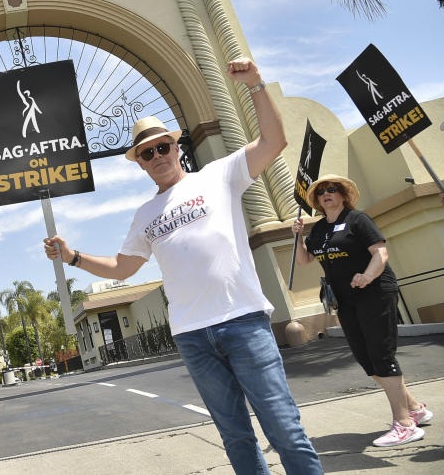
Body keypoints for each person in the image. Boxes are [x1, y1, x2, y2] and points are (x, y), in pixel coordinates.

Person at [44, 59, 323, 475]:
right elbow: (123, 268)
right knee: (236, 437)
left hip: (243, 320)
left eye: (163, 147)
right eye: (147, 152)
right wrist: (72, 257)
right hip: (192, 336)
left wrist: (256, 85)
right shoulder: (144, 215)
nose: (157, 155)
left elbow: (274, 140)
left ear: (177, 148)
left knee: (284, 429)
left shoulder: (219, 175)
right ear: (139, 162)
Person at [292, 175, 433, 447]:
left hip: (375, 292)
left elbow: (380, 253)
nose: (326, 194)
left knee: (381, 354)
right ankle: (415, 408)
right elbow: (304, 261)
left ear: (343, 194)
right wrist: (298, 237)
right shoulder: (319, 229)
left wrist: (367, 276)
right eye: (321, 192)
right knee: (368, 362)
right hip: (345, 300)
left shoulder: (358, 220)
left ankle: (404, 424)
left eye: (332, 189)